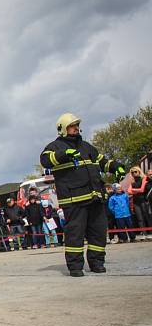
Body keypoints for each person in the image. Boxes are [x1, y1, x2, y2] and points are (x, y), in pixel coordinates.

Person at [40, 113, 124, 276]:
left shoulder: (86, 147)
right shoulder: (54, 147)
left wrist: (116, 167)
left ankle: (97, 262)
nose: (76, 128)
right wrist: (65, 154)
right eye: (72, 126)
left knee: (99, 232)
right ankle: (75, 266)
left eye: (77, 125)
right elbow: (45, 160)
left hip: (95, 197)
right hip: (74, 200)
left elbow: (102, 162)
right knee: (75, 234)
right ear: (63, 129)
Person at [127, 166, 150, 239]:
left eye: (135, 171)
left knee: (147, 216)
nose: (134, 173)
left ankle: (150, 232)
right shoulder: (132, 181)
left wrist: (133, 190)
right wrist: (137, 190)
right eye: (132, 172)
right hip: (136, 202)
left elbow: (142, 190)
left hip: (144, 200)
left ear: (139, 171)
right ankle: (144, 234)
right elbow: (129, 191)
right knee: (140, 218)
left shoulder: (144, 178)